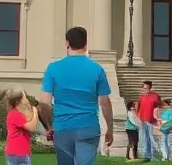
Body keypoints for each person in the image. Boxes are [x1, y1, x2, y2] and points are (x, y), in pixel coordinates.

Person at [37, 26, 114, 165]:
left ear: (67, 44)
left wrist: (49, 126)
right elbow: (104, 103)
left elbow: (44, 104)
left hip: (62, 127)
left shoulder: (53, 68)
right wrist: (110, 128)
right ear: (86, 44)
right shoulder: (96, 69)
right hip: (88, 127)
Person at [3, 88, 37, 165]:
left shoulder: (17, 113)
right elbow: (31, 127)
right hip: (17, 153)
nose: (26, 98)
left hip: (18, 153)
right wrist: (35, 112)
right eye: (24, 97)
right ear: (19, 101)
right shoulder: (15, 114)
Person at [136, 81, 161, 161]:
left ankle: (154, 155)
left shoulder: (155, 95)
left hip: (152, 120)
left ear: (150, 87)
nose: (145, 89)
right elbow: (138, 107)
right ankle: (147, 155)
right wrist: (138, 117)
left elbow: (158, 106)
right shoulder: (141, 96)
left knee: (152, 137)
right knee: (144, 138)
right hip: (143, 119)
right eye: (144, 87)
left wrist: (157, 118)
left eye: (146, 87)